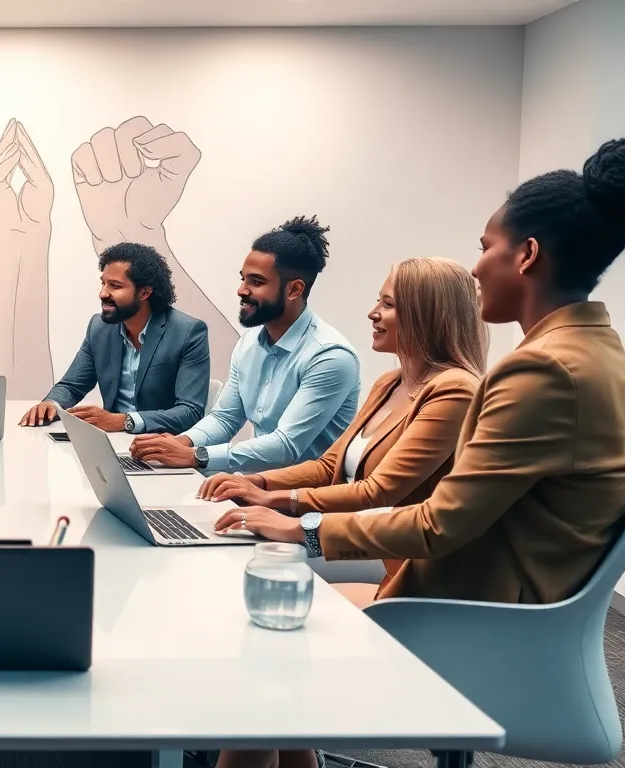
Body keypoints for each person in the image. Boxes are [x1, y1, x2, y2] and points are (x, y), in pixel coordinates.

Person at [211, 138, 625, 768]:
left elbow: (440, 521)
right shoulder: (599, 355)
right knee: (272, 631)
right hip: (508, 610)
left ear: (527, 255)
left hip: (473, 624)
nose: (478, 265)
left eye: (486, 247)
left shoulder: (542, 372)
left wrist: (303, 528)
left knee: (263, 640)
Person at [202, 257, 485, 607]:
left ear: (426, 314)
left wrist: (276, 501)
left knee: (261, 572)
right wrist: (258, 483)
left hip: (417, 576)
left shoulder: (454, 390)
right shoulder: (389, 382)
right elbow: (329, 466)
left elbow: (377, 492)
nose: (372, 312)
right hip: (375, 551)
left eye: (388, 304)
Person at [129, 215, 361, 473]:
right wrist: (177, 444)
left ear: (294, 289)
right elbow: (225, 418)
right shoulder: (249, 343)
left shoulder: (330, 357)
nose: (241, 290)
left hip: (302, 501)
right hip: (252, 487)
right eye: (243, 278)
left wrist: (195, 455)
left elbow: (285, 447)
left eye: (256, 282)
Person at [18, 242, 210, 434]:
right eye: (103, 283)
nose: (103, 293)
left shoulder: (188, 332)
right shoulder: (99, 328)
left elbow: (190, 412)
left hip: (161, 445)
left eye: (115, 286)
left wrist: (124, 421)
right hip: (112, 441)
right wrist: (52, 403)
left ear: (145, 292)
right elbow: (72, 386)